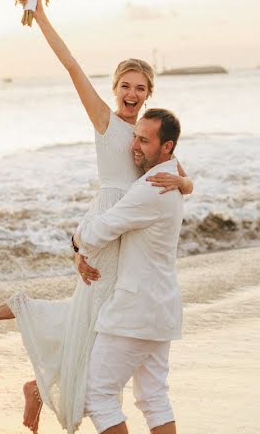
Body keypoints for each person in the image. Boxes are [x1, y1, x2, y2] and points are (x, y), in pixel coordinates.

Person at [0, 0, 192, 433]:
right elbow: (72, 66)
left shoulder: (150, 135)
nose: (131, 94)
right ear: (114, 89)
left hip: (128, 230)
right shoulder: (105, 121)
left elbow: (180, 177)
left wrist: (186, 183)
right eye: (125, 86)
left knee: (97, 323)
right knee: (94, 316)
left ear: (149, 94)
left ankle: (39, 384)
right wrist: (40, 15)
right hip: (107, 227)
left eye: (140, 87)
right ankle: (28, 328)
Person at [74, 108, 184, 434]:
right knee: (153, 397)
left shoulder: (152, 188)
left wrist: (76, 241)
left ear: (167, 148)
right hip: (161, 309)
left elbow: (103, 229)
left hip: (134, 311)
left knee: (98, 394)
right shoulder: (172, 182)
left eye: (144, 141)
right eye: (135, 136)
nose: (134, 146)